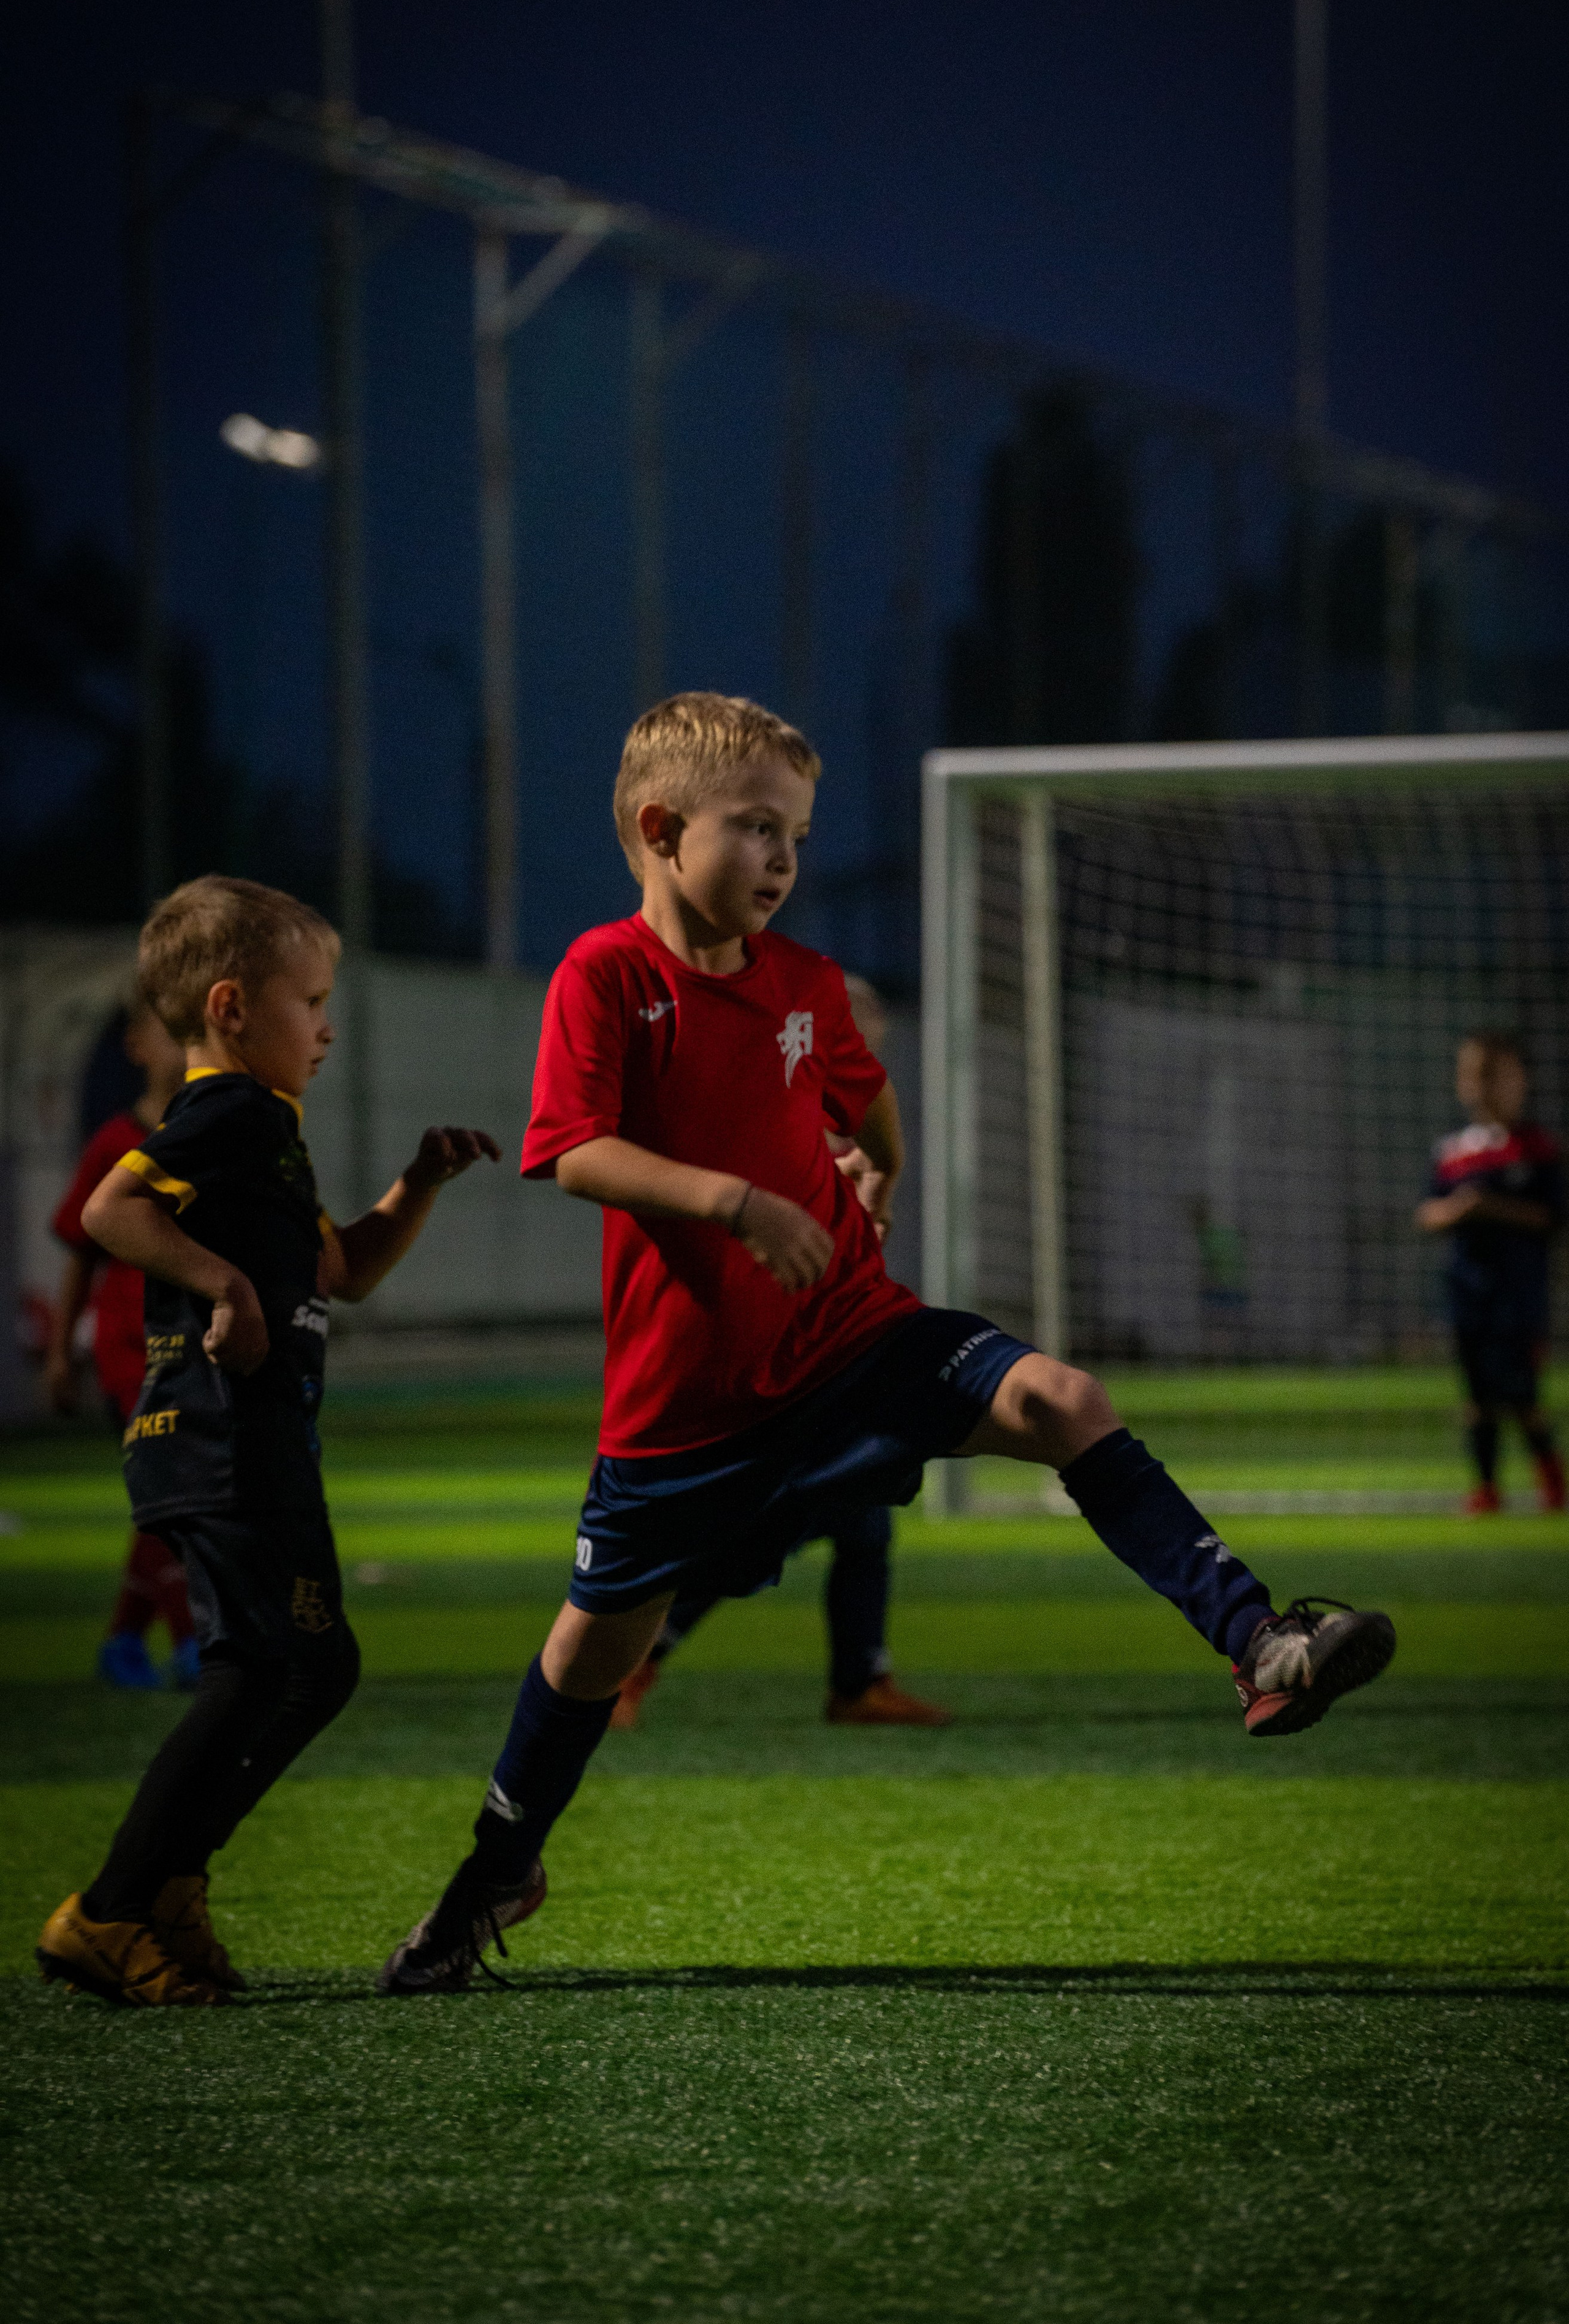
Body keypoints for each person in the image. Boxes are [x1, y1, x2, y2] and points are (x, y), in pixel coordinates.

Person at [378, 693, 1397, 1996]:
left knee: (1058, 1396)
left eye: (795, 832)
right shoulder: (606, 976)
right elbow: (572, 1151)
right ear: (657, 827)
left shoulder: (804, 985)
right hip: (681, 1411)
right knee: (587, 1658)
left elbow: (862, 1095)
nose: (783, 858)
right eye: (755, 828)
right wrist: (736, 1199)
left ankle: (1258, 1643)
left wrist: (877, 1172)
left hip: (855, 1334)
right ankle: (492, 1874)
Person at [36, 875, 499, 2008]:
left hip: (260, 1433)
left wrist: (419, 1182)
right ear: (235, 1006)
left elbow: (339, 1272)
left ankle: (171, 1883)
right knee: (260, 1670)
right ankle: (110, 1909)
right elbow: (108, 1211)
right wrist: (223, 1282)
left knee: (314, 1664)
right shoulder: (231, 1112)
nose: (328, 1023)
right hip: (220, 1429)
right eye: (313, 999)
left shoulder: (265, 1129)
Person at [611, 972, 948, 1732]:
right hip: (774, 1364)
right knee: (768, 1522)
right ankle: (633, 1662)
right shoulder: (768, 1117)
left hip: (833, 1353)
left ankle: (860, 1681)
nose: (862, 1060)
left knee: (865, 1517)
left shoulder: (847, 1127)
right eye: (850, 1040)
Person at [47, 1000, 201, 1688]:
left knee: (171, 1499)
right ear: (138, 1046)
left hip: (193, 1348)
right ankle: (193, 1640)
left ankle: (122, 1645)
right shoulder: (116, 1141)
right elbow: (81, 1253)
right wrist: (60, 1352)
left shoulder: (209, 1130)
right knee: (172, 1499)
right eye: (170, 1033)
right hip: (128, 1349)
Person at [1415, 1031, 1564, 1516]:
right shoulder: (1453, 1151)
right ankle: (1486, 1488)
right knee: (1477, 1397)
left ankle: (1553, 1483)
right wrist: (1458, 1211)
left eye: (1493, 1075)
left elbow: (1552, 1216)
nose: (1482, 1086)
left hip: (1520, 1296)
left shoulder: (1537, 1147)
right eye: (1472, 1075)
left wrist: (1491, 1207)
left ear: (1519, 1080)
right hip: (1467, 1291)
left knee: (1522, 1395)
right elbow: (1428, 1212)